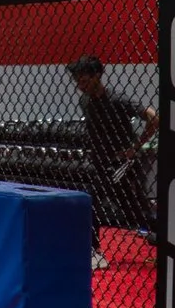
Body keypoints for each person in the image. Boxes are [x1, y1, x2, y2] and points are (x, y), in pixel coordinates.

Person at [68, 54, 158, 268]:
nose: (80, 86)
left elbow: (154, 118)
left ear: (97, 75)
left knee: (135, 211)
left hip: (122, 165)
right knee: (92, 202)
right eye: (77, 81)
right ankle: (94, 251)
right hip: (100, 163)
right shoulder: (85, 101)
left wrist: (134, 148)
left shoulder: (118, 100)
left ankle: (166, 238)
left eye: (84, 80)